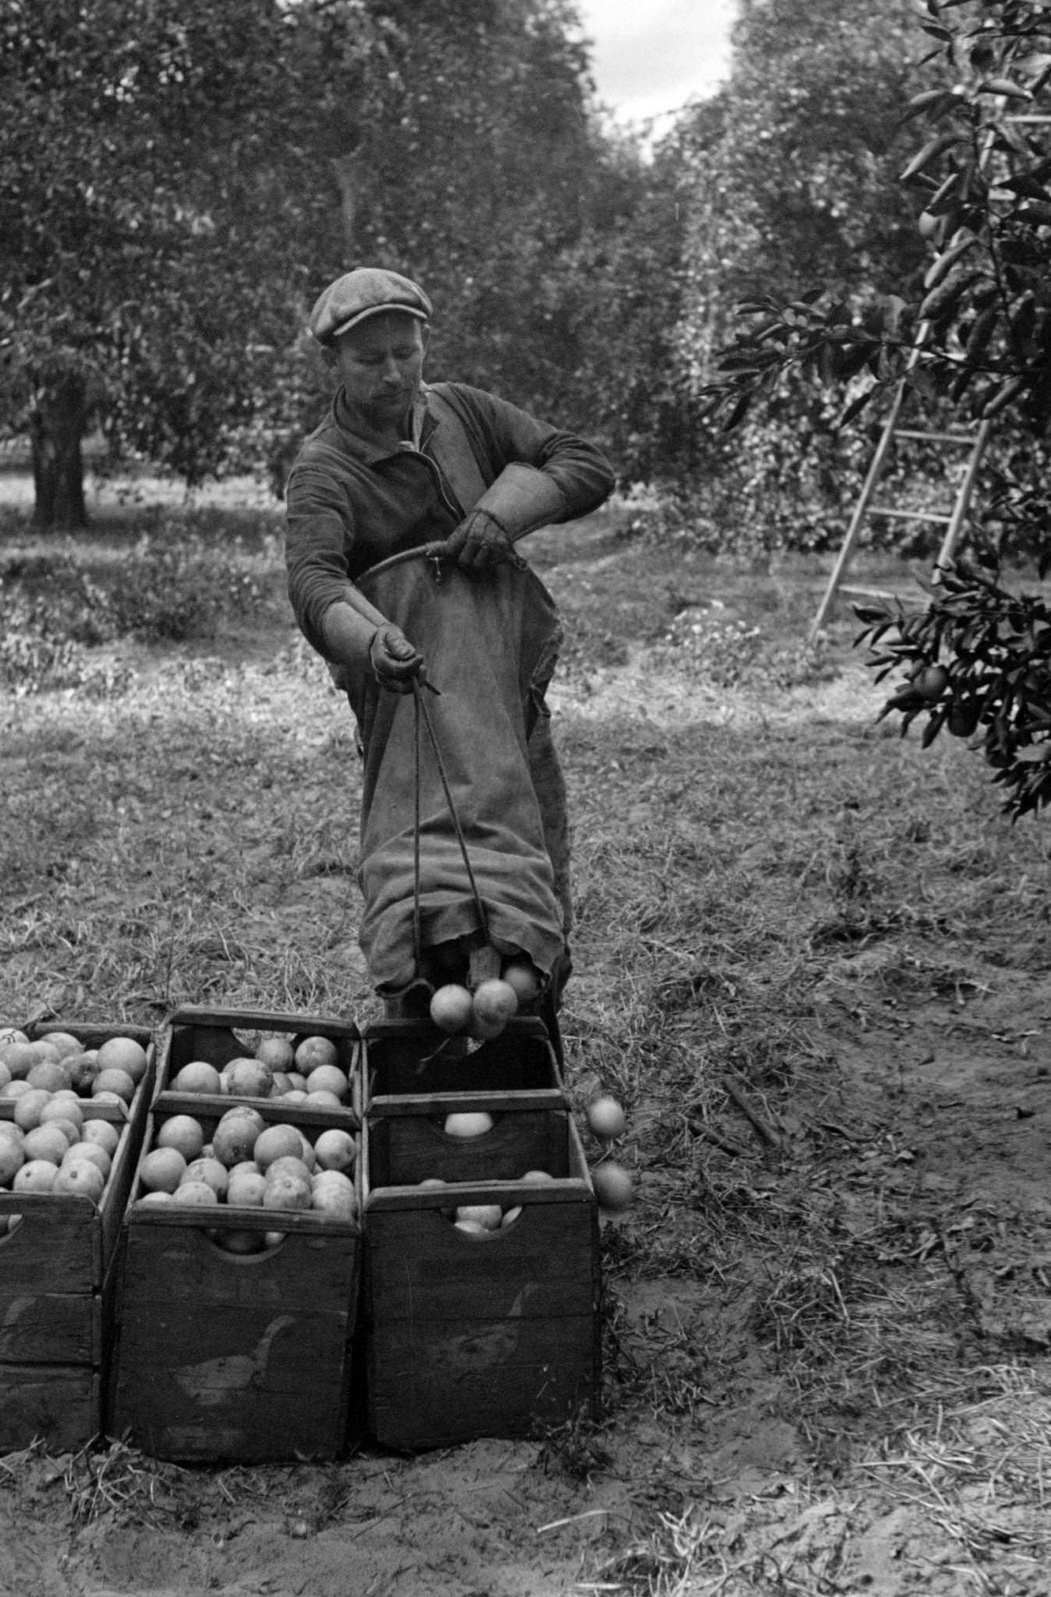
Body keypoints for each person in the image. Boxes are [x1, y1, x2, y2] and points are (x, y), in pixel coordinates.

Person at [284, 266, 615, 1017]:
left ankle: (528, 1017)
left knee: (526, 841)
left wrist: (503, 514)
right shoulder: (324, 468)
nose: (394, 373)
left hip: (499, 691)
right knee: (414, 860)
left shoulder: (462, 413)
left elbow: (584, 464)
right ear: (331, 363)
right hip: (410, 703)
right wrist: (373, 642)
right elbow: (314, 584)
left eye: (406, 351)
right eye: (370, 360)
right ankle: (419, 1021)